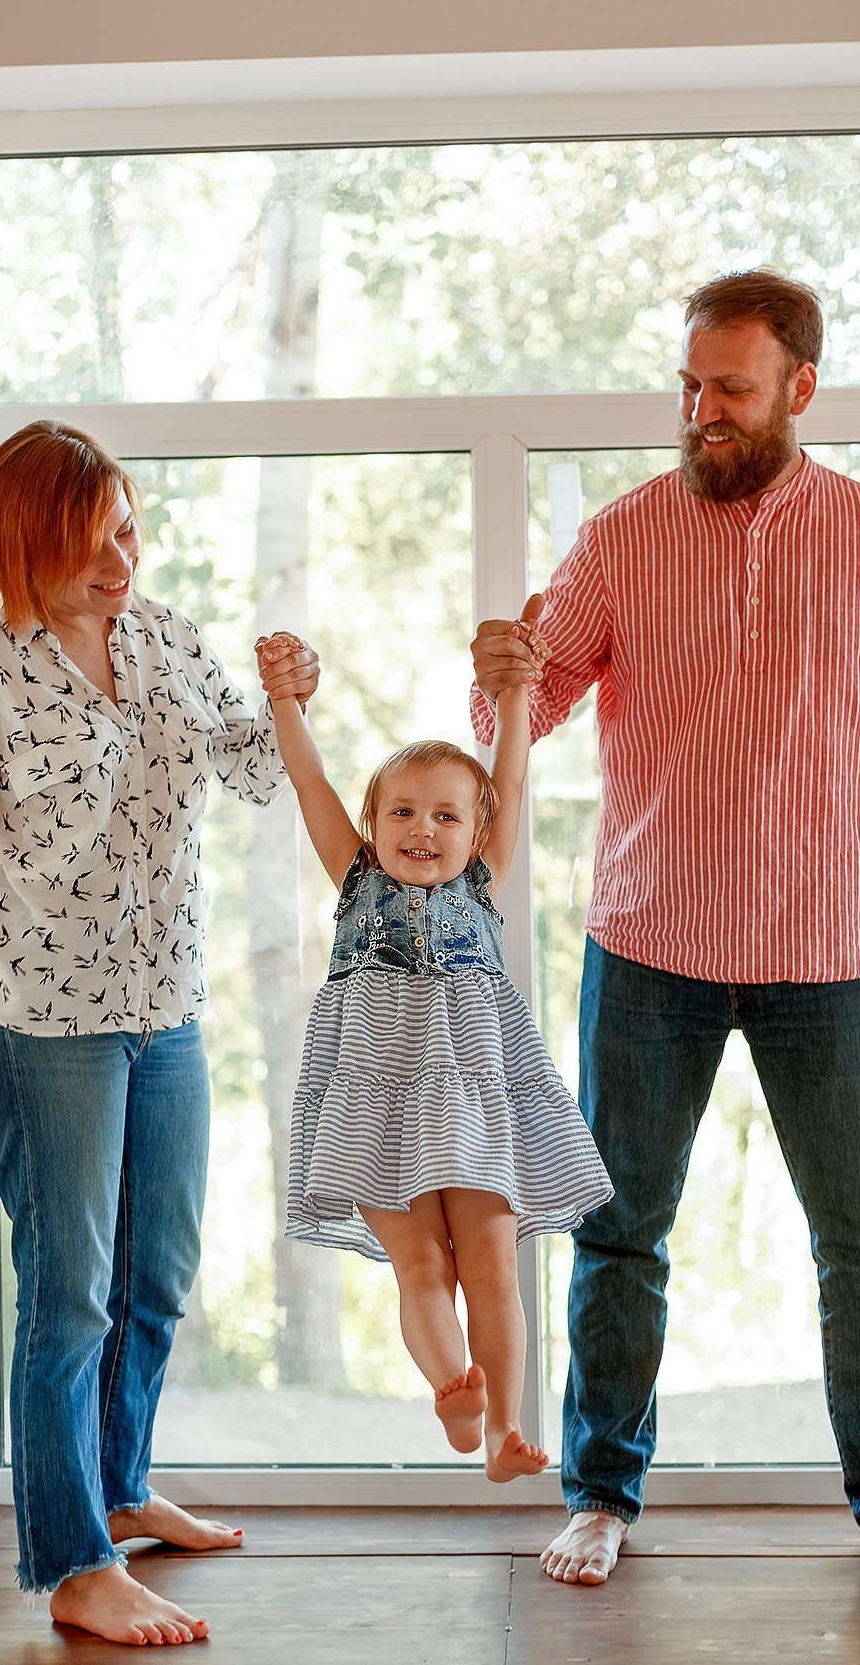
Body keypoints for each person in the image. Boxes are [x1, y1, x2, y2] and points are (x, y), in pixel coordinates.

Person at [471, 269, 860, 1595]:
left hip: (828, 953)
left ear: (800, 389)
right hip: (649, 948)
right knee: (620, 1236)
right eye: (690, 386)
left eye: (731, 390)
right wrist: (501, 686)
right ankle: (601, 1497)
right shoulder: (620, 535)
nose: (702, 411)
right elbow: (521, 726)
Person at [0, 420, 316, 1645]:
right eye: (93, 543)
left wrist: (290, 696)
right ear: (24, 544)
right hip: (41, 1026)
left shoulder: (168, 644)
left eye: (129, 534)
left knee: (155, 1277)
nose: (120, 563)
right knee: (68, 1298)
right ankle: (73, 1564)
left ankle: (122, 1488)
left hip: (167, 1009)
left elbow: (252, 773)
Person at [255, 631, 612, 1479]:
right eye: (403, 812)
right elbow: (309, 782)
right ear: (373, 825)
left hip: (474, 1098)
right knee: (419, 1263)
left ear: (477, 828)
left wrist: (518, 697)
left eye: (447, 814)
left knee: (492, 1261)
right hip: (377, 1099)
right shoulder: (356, 880)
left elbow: (513, 776)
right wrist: (285, 705)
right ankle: (456, 1393)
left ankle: (502, 1436)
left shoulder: (483, 880)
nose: (423, 829)